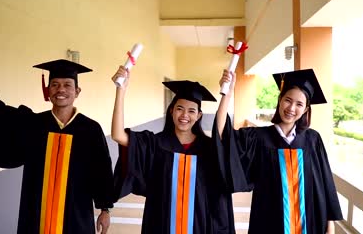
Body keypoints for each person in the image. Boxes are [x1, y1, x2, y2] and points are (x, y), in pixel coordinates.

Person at [0, 36, 114, 234]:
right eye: (54, 84)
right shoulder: (33, 124)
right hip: (36, 217)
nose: (60, 89)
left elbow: (102, 170)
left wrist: (105, 210)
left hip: (76, 217)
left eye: (67, 84)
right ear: (48, 90)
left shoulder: (90, 129)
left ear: (77, 91)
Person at [215, 68, 343, 234]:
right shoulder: (259, 138)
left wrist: (330, 225)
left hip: (310, 222)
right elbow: (223, 136)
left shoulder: (313, 140)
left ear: (305, 110)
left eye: (299, 104)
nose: (291, 108)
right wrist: (227, 93)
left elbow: (325, 183)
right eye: (288, 100)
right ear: (280, 100)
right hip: (269, 222)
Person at [111, 66, 236, 233]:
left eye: (191, 111)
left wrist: (226, 96)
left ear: (199, 115)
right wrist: (121, 90)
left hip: (199, 224)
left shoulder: (208, 148)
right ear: (171, 111)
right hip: (162, 222)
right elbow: (118, 135)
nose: (185, 115)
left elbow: (223, 136)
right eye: (179, 109)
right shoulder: (155, 143)